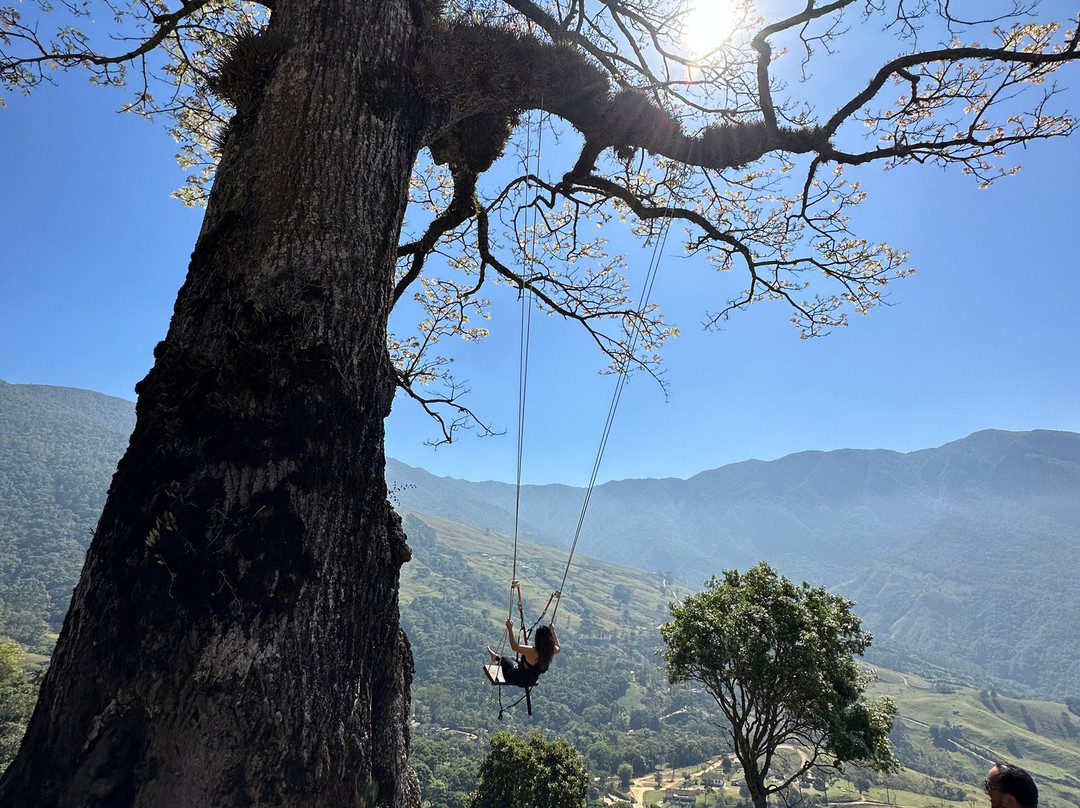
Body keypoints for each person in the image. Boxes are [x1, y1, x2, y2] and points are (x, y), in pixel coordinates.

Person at [487, 618, 560, 688]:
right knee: (512, 658)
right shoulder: (550, 651)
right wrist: (553, 632)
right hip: (532, 680)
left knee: (504, 659)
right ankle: (496, 657)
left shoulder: (532, 651)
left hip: (519, 679)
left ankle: (495, 657)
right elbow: (558, 647)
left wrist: (510, 629)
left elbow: (514, 647)